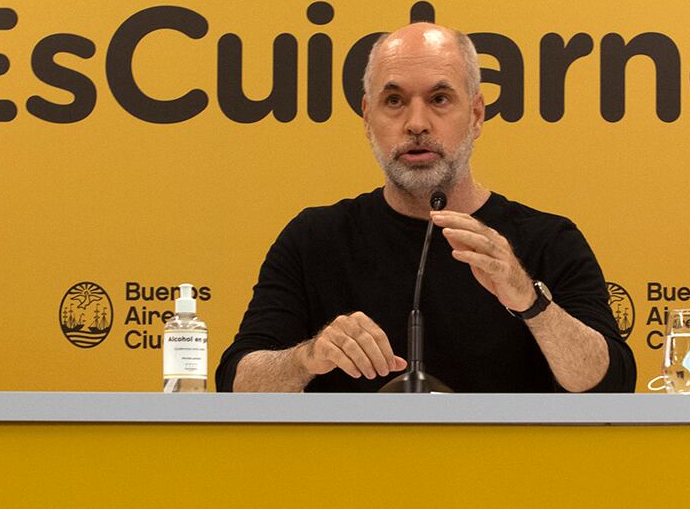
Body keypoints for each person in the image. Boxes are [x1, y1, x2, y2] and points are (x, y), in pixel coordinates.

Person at [217, 22, 636, 393]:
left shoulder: (547, 240)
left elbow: (610, 383)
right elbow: (237, 383)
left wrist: (529, 300)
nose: (416, 123)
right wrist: (308, 357)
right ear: (367, 117)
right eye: (394, 101)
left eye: (439, 99)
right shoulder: (315, 239)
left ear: (475, 115)